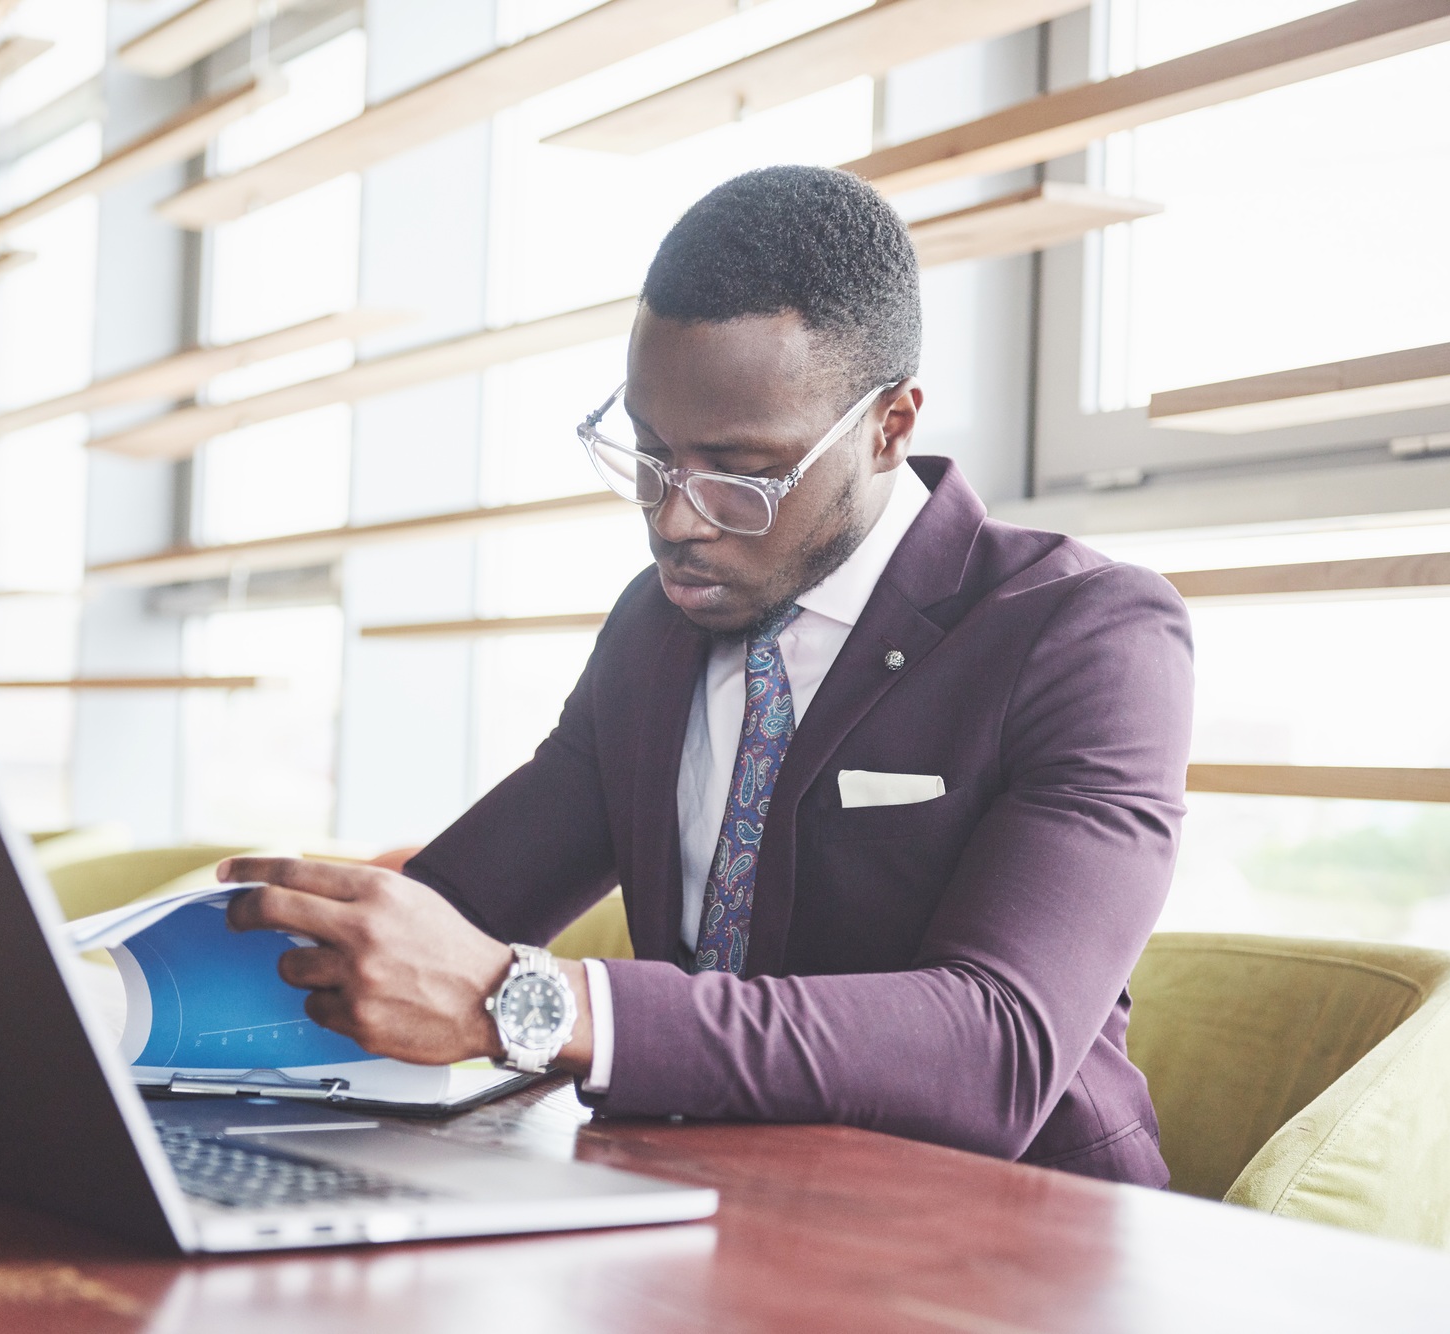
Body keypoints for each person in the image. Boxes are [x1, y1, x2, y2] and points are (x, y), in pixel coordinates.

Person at [221, 164, 1192, 1187]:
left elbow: (994, 1048)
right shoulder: (655, 627)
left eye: (739, 473)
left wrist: (527, 1002)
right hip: (709, 1201)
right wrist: (196, 973)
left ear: (888, 425)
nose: (675, 519)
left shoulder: (1083, 631)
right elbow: (457, 907)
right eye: (649, 456)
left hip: (1015, 1236)